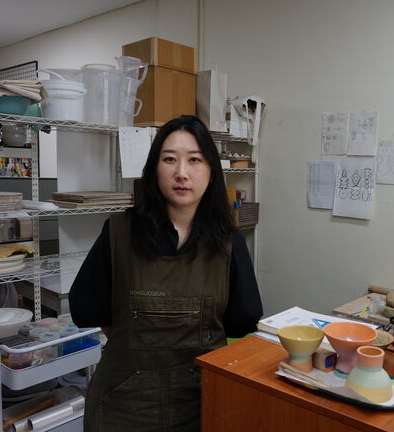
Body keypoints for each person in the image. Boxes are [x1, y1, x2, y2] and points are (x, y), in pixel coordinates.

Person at [69, 115, 263, 431]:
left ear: (212, 171)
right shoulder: (119, 232)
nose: (181, 173)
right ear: (154, 169)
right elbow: (87, 308)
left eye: (194, 160)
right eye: (169, 159)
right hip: (124, 406)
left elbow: (243, 319)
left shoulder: (229, 242)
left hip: (202, 402)